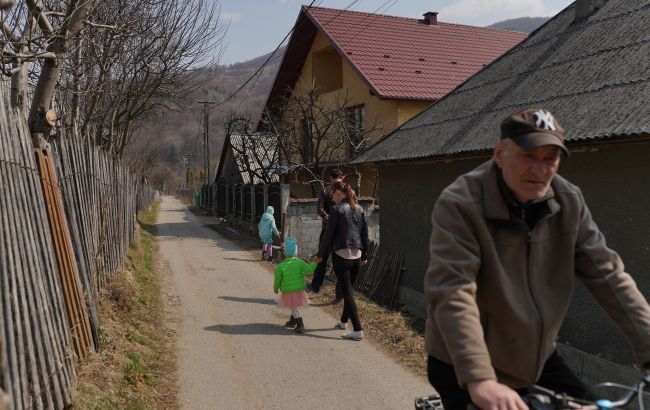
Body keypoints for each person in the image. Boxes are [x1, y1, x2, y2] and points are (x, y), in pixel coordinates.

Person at [424, 108, 650, 410]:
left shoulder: (568, 201)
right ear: (499, 154)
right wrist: (480, 379)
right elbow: (453, 291)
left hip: (534, 358)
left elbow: (609, 276)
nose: (540, 169)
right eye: (529, 156)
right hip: (464, 362)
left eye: (550, 158)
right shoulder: (461, 204)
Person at [315, 182, 369, 341]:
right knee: (348, 290)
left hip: (341, 256)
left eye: (333, 194)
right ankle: (344, 321)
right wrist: (365, 255)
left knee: (348, 293)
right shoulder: (359, 208)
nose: (332, 198)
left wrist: (320, 254)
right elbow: (364, 234)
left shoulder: (336, 209)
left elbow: (328, 235)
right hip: (357, 256)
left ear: (339, 192)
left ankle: (358, 329)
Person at [310, 169, 345, 300]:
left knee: (321, 257)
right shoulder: (348, 190)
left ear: (330, 177)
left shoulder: (326, 190)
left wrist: (329, 219)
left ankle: (315, 286)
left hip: (327, 229)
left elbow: (320, 209)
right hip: (343, 231)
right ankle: (340, 294)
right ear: (342, 177)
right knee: (341, 261)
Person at [274, 237, 317, 333]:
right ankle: (292, 321)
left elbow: (277, 279)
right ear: (296, 251)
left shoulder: (280, 266)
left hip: (288, 290)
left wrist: (276, 288)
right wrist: (315, 263)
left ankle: (300, 324)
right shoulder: (300, 262)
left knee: (294, 307)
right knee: (294, 305)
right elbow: (309, 271)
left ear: (285, 252)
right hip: (299, 289)